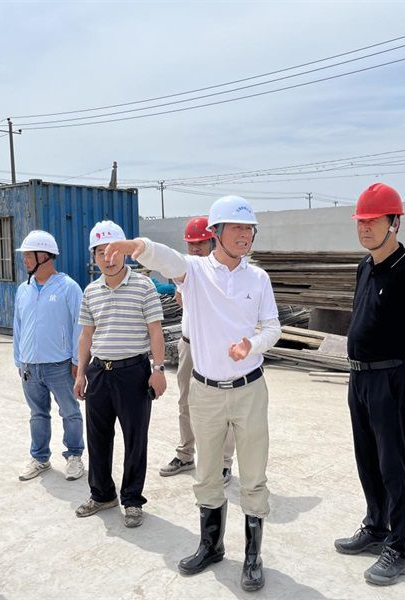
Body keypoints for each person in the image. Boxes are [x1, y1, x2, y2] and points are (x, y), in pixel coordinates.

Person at [104, 196, 280, 592]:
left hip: (250, 389)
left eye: (249, 229)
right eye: (237, 228)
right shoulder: (196, 272)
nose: (245, 235)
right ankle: (211, 545)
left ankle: (253, 555)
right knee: (206, 472)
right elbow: (167, 259)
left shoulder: (258, 278)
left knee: (253, 475)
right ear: (216, 232)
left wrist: (251, 345)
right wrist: (137, 246)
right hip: (206, 392)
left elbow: (272, 327)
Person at [334, 183, 405, 586]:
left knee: (393, 465)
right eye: (360, 221)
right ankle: (376, 526)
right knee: (367, 458)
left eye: (373, 221)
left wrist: (391, 348)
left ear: (394, 223)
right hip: (359, 377)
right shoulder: (365, 266)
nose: (364, 228)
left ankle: (399, 548)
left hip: (391, 378)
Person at [72, 220, 166, 529]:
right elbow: (86, 335)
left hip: (133, 373)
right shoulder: (91, 291)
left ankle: (132, 500)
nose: (107, 258)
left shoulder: (144, 286)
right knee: (97, 438)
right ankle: (102, 495)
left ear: (125, 252)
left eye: (113, 251)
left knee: (135, 439)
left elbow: (155, 331)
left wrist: (158, 369)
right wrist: (81, 373)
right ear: (93, 256)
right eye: (100, 252)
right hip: (99, 372)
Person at [159, 216, 236, 486]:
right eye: (191, 244)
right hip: (189, 345)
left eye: (200, 243)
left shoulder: (224, 272)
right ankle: (185, 454)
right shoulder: (187, 270)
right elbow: (183, 300)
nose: (194, 249)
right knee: (186, 401)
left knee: (223, 406)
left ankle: (223, 463)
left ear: (214, 241)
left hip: (216, 349)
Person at [13, 230, 86, 482]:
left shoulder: (68, 288)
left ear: (44, 256)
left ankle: (74, 456)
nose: (24, 260)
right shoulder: (23, 289)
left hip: (60, 365)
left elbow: (80, 326)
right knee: (37, 414)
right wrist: (19, 359)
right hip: (30, 367)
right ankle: (40, 458)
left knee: (70, 412)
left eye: (28, 255)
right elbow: (18, 326)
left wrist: (77, 361)